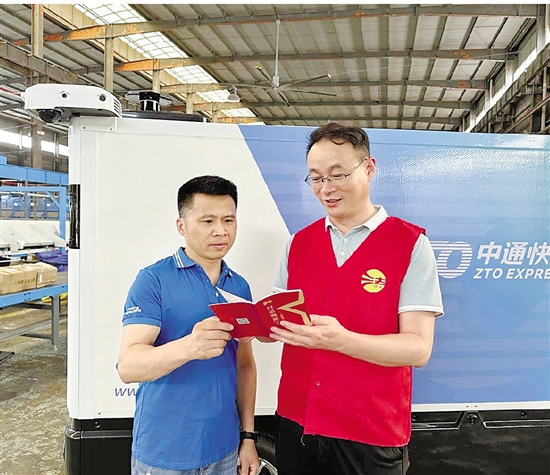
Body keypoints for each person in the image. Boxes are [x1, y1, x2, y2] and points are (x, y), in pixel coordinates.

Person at [268, 123, 444, 475]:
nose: (326, 189)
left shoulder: (410, 244)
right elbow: (280, 317)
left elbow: (418, 348)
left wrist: (341, 340)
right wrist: (259, 326)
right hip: (298, 423)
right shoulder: (298, 244)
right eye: (316, 178)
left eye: (337, 175)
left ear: (369, 168)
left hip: (370, 430)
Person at [117, 175, 260, 475]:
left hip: (224, 449)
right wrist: (189, 347)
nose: (221, 230)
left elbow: (245, 365)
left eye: (228, 220)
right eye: (207, 221)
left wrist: (248, 437)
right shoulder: (153, 280)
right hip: (163, 452)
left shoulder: (239, 286)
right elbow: (128, 367)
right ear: (181, 226)